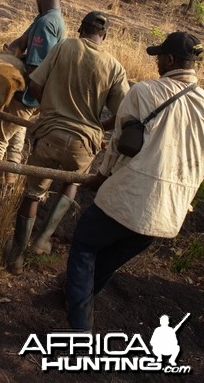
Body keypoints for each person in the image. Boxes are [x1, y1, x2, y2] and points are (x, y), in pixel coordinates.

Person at [65, 31, 204, 332]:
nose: (156, 64)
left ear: (169, 60)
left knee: (85, 246)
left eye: (159, 58)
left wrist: (99, 178)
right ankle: (72, 297)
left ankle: (80, 331)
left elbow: (117, 145)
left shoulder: (144, 92)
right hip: (168, 213)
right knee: (107, 258)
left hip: (128, 196)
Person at [6, 11, 129, 275]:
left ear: (80, 29)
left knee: (32, 193)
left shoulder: (65, 46)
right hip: (84, 144)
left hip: (49, 133)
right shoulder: (115, 67)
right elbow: (123, 114)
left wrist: (49, 108)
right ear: (104, 36)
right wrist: (98, 128)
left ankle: (16, 255)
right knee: (72, 182)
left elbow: (36, 81)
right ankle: (42, 239)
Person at [0, 0, 66, 213]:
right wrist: (6, 53)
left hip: (28, 95)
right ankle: (6, 192)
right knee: (16, 139)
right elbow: (21, 43)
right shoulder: (50, 19)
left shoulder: (47, 24)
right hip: (32, 97)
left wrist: (30, 96)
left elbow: (36, 69)